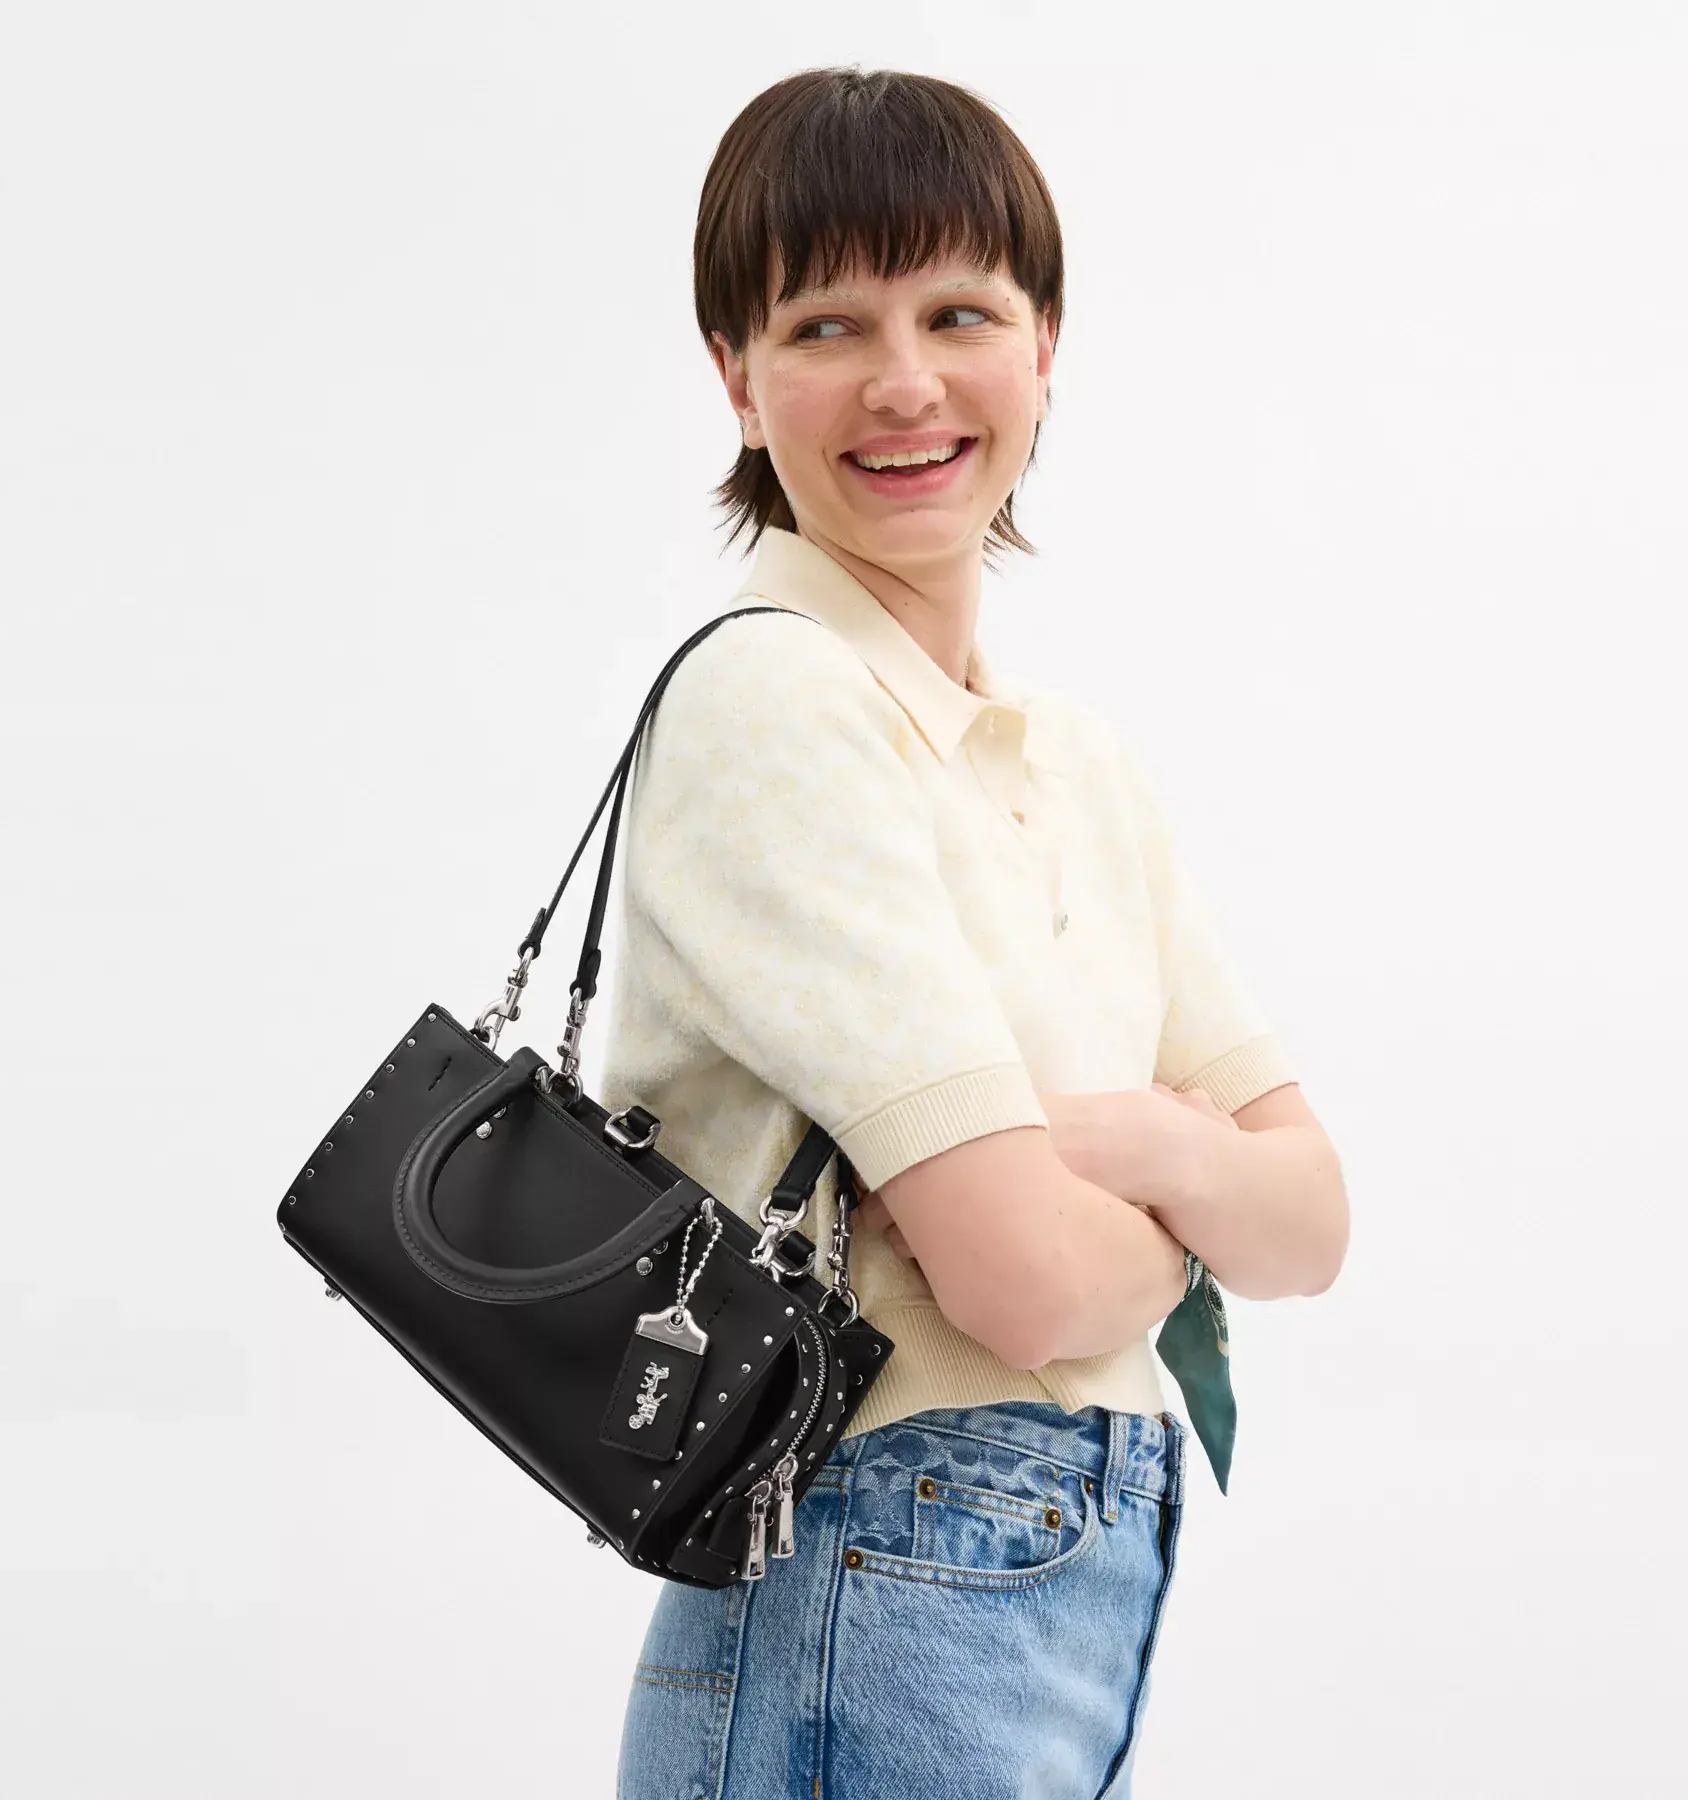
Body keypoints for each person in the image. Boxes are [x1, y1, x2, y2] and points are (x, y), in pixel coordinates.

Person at [599, 64, 1347, 1800]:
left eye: (958, 313)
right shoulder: (776, 702)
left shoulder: (1069, 760)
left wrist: (1138, 1150)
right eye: (827, 326)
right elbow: (1024, 1283)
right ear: (737, 377)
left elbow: (1313, 1220)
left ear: (1046, 341)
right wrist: (1192, 1214)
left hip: (1026, 1579)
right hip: (876, 1565)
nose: (906, 383)